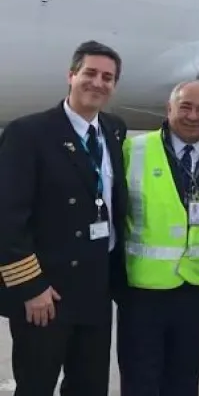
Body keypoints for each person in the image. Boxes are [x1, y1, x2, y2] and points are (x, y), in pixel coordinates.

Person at [0, 40, 128, 396]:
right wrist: (30, 287)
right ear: (71, 76)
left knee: (89, 387)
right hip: (47, 293)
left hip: (96, 287)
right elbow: (7, 218)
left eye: (108, 77)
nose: (98, 83)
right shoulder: (29, 133)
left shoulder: (114, 130)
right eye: (90, 73)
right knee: (36, 386)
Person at [116, 80, 199, 396]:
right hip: (143, 288)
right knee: (140, 376)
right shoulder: (134, 150)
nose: (193, 116)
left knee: (185, 377)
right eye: (185, 106)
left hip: (196, 289)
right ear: (168, 109)